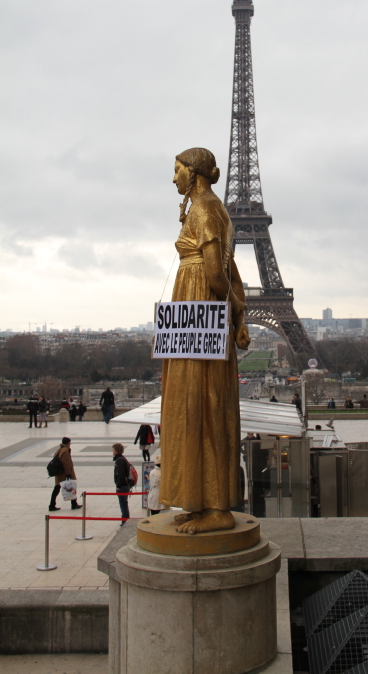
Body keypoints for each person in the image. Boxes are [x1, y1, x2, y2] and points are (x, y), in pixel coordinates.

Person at [160, 148, 250, 534]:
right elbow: (229, 267)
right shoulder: (208, 207)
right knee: (198, 403)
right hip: (199, 313)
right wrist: (238, 310)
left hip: (201, 306)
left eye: (177, 170)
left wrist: (233, 311)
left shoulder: (206, 208)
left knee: (204, 403)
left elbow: (216, 274)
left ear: (194, 173)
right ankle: (199, 502)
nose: (173, 178)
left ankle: (217, 509)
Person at [49, 437, 82, 511]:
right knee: (71, 486)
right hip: (64, 473)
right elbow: (66, 463)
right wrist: (68, 473)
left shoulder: (59, 450)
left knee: (57, 488)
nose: (70, 444)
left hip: (59, 473)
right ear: (67, 443)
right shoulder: (66, 450)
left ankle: (52, 504)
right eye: (70, 442)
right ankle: (73, 504)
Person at [112, 442, 131, 526]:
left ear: (116, 450)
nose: (112, 451)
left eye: (113, 449)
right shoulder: (122, 459)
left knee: (123, 504)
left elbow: (121, 475)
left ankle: (125, 521)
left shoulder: (119, 460)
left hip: (122, 486)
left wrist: (118, 485)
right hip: (125, 485)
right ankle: (125, 519)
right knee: (124, 503)